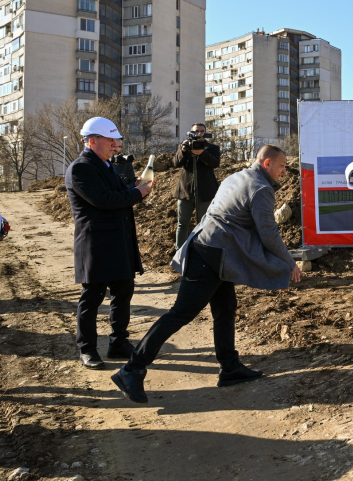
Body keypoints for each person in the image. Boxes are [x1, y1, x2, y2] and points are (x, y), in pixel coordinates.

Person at [111, 144, 301, 403]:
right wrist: (289, 263)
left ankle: (230, 367)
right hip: (211, 254)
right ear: (267, 163)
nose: (284, 171)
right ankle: (132, 370)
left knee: (225, 308)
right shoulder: (261, 188)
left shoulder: (238, 177)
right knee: (180, 313)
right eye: (281, 166)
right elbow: (268, 233)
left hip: (214, 250)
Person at [67, 117, 152, 369]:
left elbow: (115, 191)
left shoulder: (104, 165)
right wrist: (137, 193)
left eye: (117, 140)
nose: (116, 145)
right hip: (96, 244)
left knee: (123, 292)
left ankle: (118, 342)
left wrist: (131, 186)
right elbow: (104, 199)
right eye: (111, 140)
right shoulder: (81, 168)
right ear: (93, 141)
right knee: (92, 298)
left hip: (118, 240)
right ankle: (88, 349)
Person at [173, 122, 221, 250]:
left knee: (203, 223)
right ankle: (180, 251)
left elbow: (215, 163)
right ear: (191, 132)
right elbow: (176, 163)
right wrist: (183, 150)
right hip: (185, 190)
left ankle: (202, 249)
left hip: (205, 191)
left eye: (201, 131)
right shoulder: (185, 146)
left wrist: (202, 153)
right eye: (196, 131)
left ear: (205, 133)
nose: (199, 133)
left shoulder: (212, 148)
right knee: (182, 224)